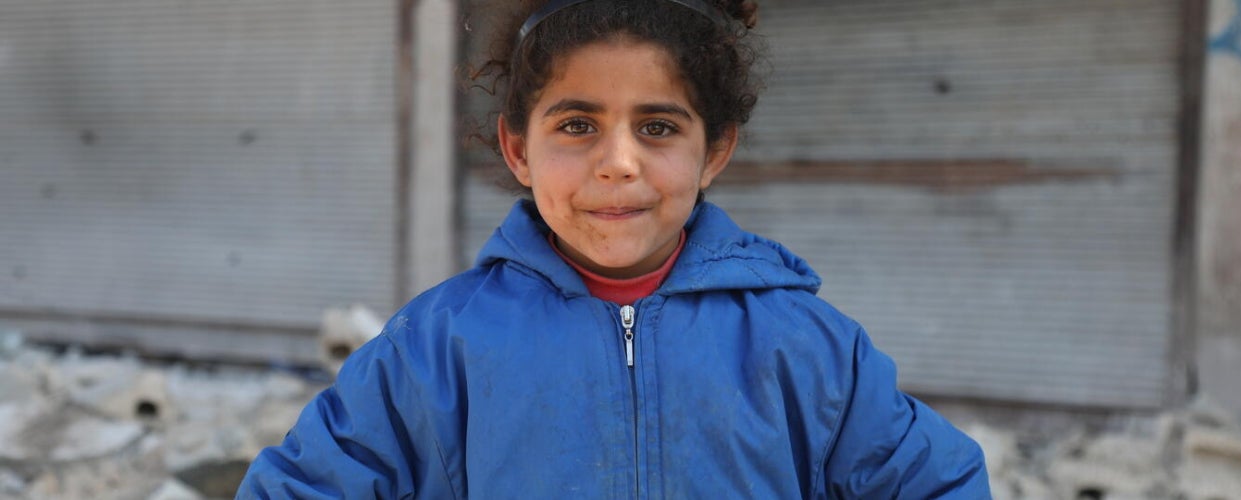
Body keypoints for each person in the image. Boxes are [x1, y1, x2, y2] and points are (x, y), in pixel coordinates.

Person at [237, 0, 990, 497]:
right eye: (577, 125)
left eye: (658, 128)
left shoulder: (804, 346)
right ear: (517, 149)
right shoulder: (437, 350)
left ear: (715, 150)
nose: (619, 162)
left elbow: (938, 483)